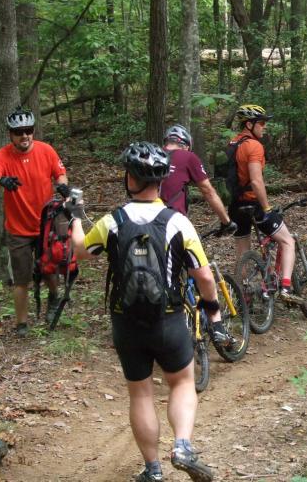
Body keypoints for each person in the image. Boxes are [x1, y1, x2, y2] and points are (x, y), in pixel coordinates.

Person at [69, 142, 214, 482]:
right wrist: (213, 310)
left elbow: (81, 252)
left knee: (141, 391)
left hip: (126, 322)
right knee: (181, 382)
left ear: (129, 179)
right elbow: (204, 277)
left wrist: (75, 215)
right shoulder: (178, 222)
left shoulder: (112, 221)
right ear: (162, 182)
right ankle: (182, 446)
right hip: (169, 319)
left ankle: (153, 469)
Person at [0, 107, 69, 337]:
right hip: (18, 229)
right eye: (19, 132)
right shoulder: (2, 156)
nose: (24, 136)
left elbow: (60, 173)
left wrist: (62, 185)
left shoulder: (46, 151)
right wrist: (2, 181)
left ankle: (53, 299)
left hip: (45, 225)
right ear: (10, 134)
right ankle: (21, 324)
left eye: (28, 130)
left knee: (49, 269)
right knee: (21, 279)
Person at [160, 124, 237, 345]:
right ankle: (217, 326)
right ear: (186, 143)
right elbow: (207, 190)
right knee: (204, 275)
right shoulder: (188, 157)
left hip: (145, 224)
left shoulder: (151, 156)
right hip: (175, 225)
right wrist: (226, 221)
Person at [227, 104, 302, 304]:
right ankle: (285, 289)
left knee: (242, 251)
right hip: (253, 204)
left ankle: (245, 297)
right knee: (287, 241)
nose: (264, 127)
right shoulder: (254, 146)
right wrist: (267, 207)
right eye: (261, 123)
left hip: (235, 206)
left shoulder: (232, 143)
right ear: (249, 124)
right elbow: (256, 180)